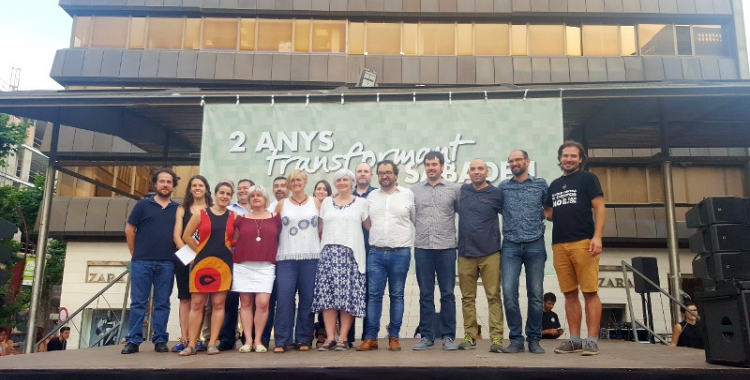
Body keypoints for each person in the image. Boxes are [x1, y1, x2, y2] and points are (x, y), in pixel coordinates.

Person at [545, 141, 606, 356]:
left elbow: (599, 207)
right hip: (559, 244)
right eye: (565, 156)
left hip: (584, 242)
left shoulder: (588, 178)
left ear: (580, 159)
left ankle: (591, 340)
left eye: (573, 156)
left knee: (590, 292)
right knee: (569, 294)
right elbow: (551, 214)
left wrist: (597, 237)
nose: (568, 159)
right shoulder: (553, 185)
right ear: (560, 158)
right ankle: (574, 340)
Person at [357, 160, 415, 352]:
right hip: (375, 254)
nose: (385, 176)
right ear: (377, 176)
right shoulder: (371, 197)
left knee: (397, 296)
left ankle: (394, 337)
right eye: (381, 173)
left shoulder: (408, 195)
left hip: (400, 253)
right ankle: (371, 337)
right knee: (374, 297)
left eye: (388, 172)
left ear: (395, 175)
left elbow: (415, 220)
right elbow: (365, 222)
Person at [122, 169, 179, 355]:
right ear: (155, 184)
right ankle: (133, 340)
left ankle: (160, 339)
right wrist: (135, 253)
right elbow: (129, 230)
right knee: (138, 302)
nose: (165, 185)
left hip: (167, 263)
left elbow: (180, 236)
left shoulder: (178, 209)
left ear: (173, 186)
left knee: (163, 303)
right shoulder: (142, 205)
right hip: (142, 262)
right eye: (161, 181)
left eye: (169, 182)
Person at [313, 169, 370, 351]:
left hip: (351, 255)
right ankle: (330, 337)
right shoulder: (327, 202)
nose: (342, 182)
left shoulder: (361, 203)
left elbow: (369, 227)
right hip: (328, 254)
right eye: (339, 180)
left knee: (348, 299)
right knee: (327, 299)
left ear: (352, 182)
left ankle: (343, 338)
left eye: (346, 179)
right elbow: (320, 227)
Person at [499, 150, 549, 354]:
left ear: (527, 161)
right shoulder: (503, 187)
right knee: (509, 294)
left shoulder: (541, 184)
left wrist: (540, 223)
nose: (514, 163)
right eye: (511, 161)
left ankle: (534, 339)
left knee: (536, 295)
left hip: (535, 244)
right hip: (510, 245)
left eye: (518, 160)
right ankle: (516, 339)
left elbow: (548, 209)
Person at [179, 181, 238, 356]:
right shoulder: (200, 214)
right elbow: (186, 235)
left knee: (218, 304)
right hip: (201, 265)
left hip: (224, 265)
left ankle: (213, 343)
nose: (225, 196)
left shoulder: (234, 216)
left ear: (231, 197)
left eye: (228, 194)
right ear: (214, 194)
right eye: (222, 193)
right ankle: (191, 344)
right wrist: (199, 251)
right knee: (197, 305)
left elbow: (236, 239)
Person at [411, 151, 460, 351]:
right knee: (425, 294)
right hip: (422, 248)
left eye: (435, 164)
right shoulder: (414, 191)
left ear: (442, 166)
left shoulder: (454, 190)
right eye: (428, 164)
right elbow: (413, 216)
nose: (431, 167)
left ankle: (448, 336)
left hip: (447, 248)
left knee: (447, 294)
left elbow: (462, 214)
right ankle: (427, 337)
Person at [457, 159, 505, 353]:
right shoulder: (462, 193)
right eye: (473, 169)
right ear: (469, 172)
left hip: (490, 253)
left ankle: (497, 340)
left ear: (487, 172)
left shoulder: (497, 194)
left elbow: (511, 214)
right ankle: (469, 336)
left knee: (493, 296)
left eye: (480, 169)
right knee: (467, 298)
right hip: (465, 253)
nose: (476, 172)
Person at [273, 170, 322, 353]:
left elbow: (321, 227)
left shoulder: (316, 202)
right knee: (284, 299)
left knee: (307, 300)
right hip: (286, 258)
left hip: (311, 258)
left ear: (305, 182)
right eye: (292, 180)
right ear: (288, 184)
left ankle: (304, 339)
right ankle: (282, 340)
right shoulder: (281, 204)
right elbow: (274, 230)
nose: (295, 183)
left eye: (299, 180)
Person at [232, 185, 282, 353]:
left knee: (262, 303)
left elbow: (279, 238)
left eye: (259, 195)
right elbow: (235, 240)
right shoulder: (240, 218)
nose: (255, 198)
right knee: (245, 303)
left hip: (266, 265)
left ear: (265, 199)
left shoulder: (276, 217)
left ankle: (259, 340)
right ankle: (247, 340)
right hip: (243, 265)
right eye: (252, 195)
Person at [171, 175, 212, 353]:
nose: (197, 188)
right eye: (194, 185)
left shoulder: (212, 209)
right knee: (185, 298)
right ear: (189, 189)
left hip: (206, 258)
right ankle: (184, 338)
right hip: (185, 258)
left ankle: (198, 338)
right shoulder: (182, 209)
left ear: (206, 189)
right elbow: (177, 236)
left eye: (200, 185)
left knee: (202, 301)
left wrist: (202, 256)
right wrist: (190, 256)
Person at [216, 178, 254, 351]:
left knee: (250, 300)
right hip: (231, 255)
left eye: (245, 188)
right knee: (230, 299)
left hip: (253, 258)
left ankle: (249, 337)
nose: (242, 191)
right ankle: (227, 337)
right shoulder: (228, 210)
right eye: (239, 189)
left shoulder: (261, 209)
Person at [352, 162, 377, 344]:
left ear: (371, 175)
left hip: (371, 251)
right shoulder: (345, 196)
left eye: (365, 171)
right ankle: (347, 337)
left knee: (370, 294)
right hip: (350, 252)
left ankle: (369, 336)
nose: (362, 174)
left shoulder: (377, 195)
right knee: (350, 293)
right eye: (359, 171)